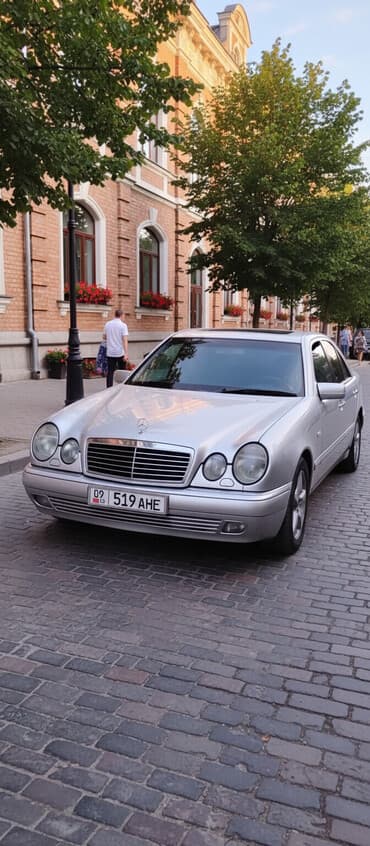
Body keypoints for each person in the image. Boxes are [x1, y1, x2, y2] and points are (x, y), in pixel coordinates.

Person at [103, 308, 129, 387]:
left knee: (110, 371)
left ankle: (109, 387)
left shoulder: (108, 324)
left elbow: (104, 337)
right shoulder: (123, 325)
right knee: (122, 371)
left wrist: (111, 338)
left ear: (115, 315)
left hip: (110, 352)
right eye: (124, 315)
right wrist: (126, 353)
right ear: (121, 315)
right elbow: (125, 340)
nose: (124, 317)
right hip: (120, 352)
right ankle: (122, 386)